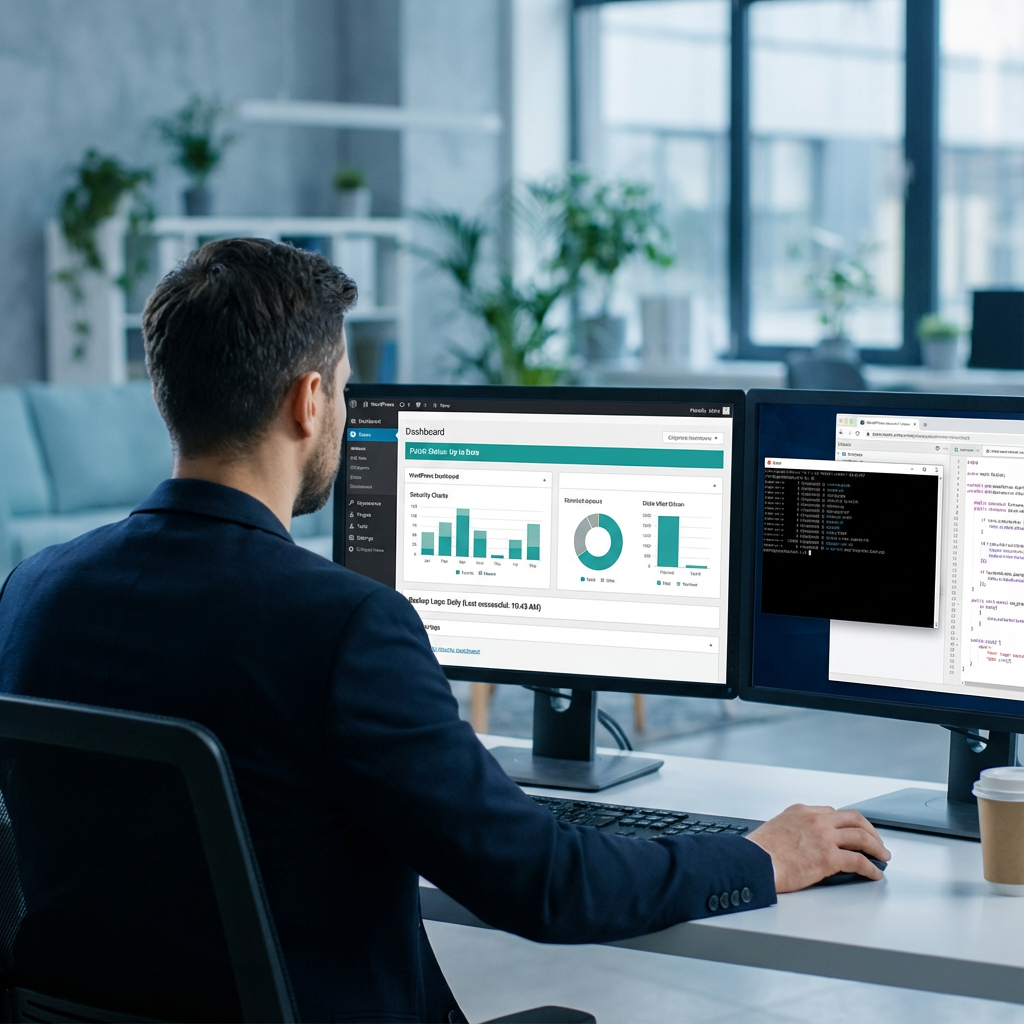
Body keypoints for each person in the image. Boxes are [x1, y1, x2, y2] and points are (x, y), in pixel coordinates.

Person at [0, 239, 889, 1023]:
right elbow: (540, 884)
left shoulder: (30, 593)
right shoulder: (343, 625)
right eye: (344, 390)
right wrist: (756, 856)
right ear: (309, 400)